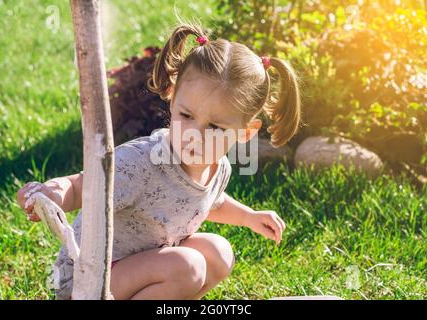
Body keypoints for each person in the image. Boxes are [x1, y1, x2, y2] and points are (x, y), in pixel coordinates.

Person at [16, 20, 301, 300]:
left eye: (215, 127)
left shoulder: (218, 168)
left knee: (219, 253)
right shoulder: (144, 162)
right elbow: (82, 187)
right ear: (173, 96)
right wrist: (51, 193)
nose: (195, 135)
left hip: (140, 265)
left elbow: (207, 201)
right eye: (186, 116)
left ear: (245, 132)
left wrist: (249, 217)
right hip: (87, 280)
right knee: (187, 267)